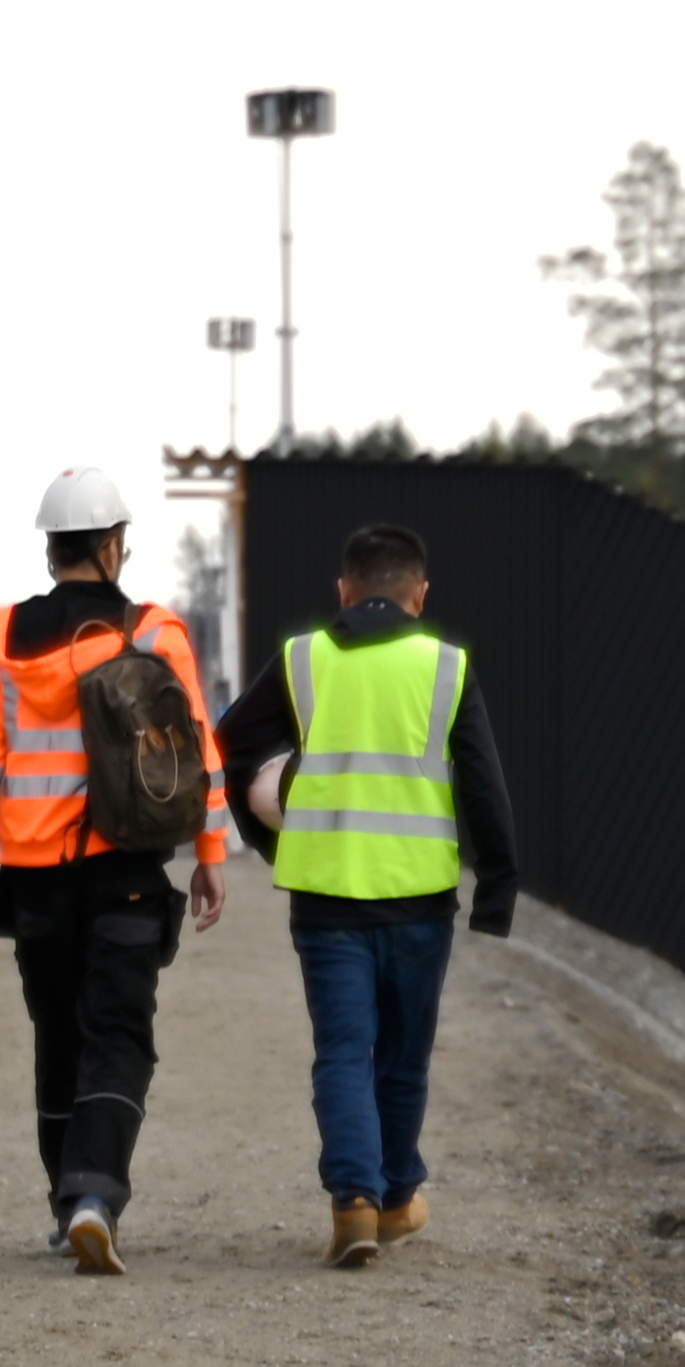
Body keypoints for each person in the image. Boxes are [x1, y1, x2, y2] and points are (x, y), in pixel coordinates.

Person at [0, 466, 229, 1274]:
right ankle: (94, 1194)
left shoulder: (4, 635)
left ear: (50, 550)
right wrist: (211, 855)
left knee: (58, 1037)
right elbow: (197, 751)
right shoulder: (152, 631)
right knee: (120, 1035)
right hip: (127, 869)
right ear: (113, 547)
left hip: (33, 878)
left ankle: (65, 1201)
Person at [215, 521, 521, 1267]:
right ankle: (390, 1198)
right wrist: (497, 888)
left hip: (325, 899)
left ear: (345, 591)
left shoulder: (302, 660)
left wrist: (264, 837)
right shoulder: (447, 667)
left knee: (344, 1051)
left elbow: (231, 740)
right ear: (420, 595)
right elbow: (483, 783)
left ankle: (355, 1200)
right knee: (403, 1058)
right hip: (419, 902)